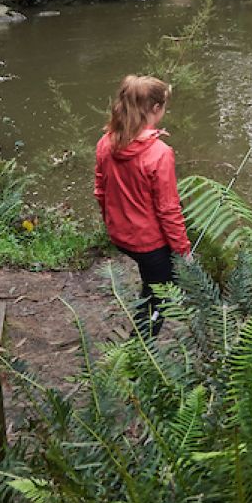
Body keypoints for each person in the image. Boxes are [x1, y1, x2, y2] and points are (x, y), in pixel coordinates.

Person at [94, 75, 191, 336]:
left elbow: (100, 191)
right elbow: (169, 210)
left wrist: (112, 222)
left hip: (120, 236)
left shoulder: (106, 142)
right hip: (150, 244)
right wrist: (183, 252)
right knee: (160, 298)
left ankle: (143, 315)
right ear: (156, 109)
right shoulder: (160, 153)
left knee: (150, 281)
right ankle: (141, 353)